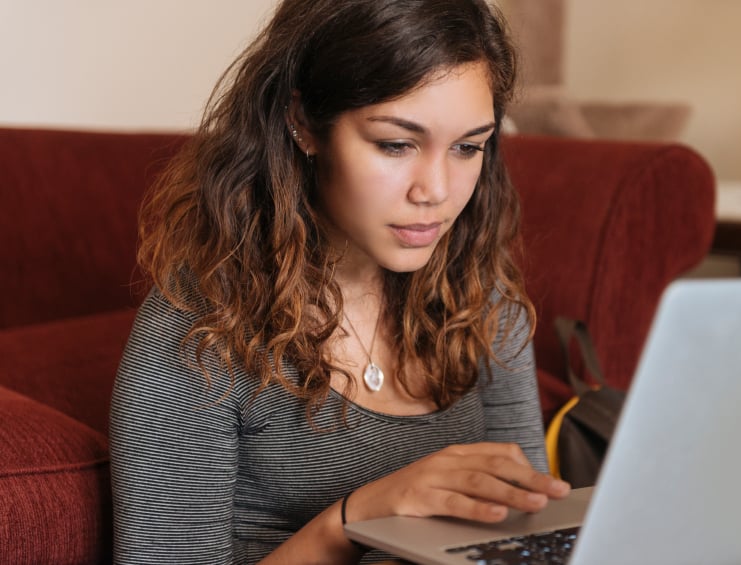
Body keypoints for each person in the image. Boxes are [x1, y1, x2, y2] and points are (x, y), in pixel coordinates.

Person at [109, 0, 571, 563]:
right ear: (303, 123)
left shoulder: (482, 296)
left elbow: (527, 533)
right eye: (396, 144)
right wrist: (351, 522)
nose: (437, 190)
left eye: (467, 147)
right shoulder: (199, 327)